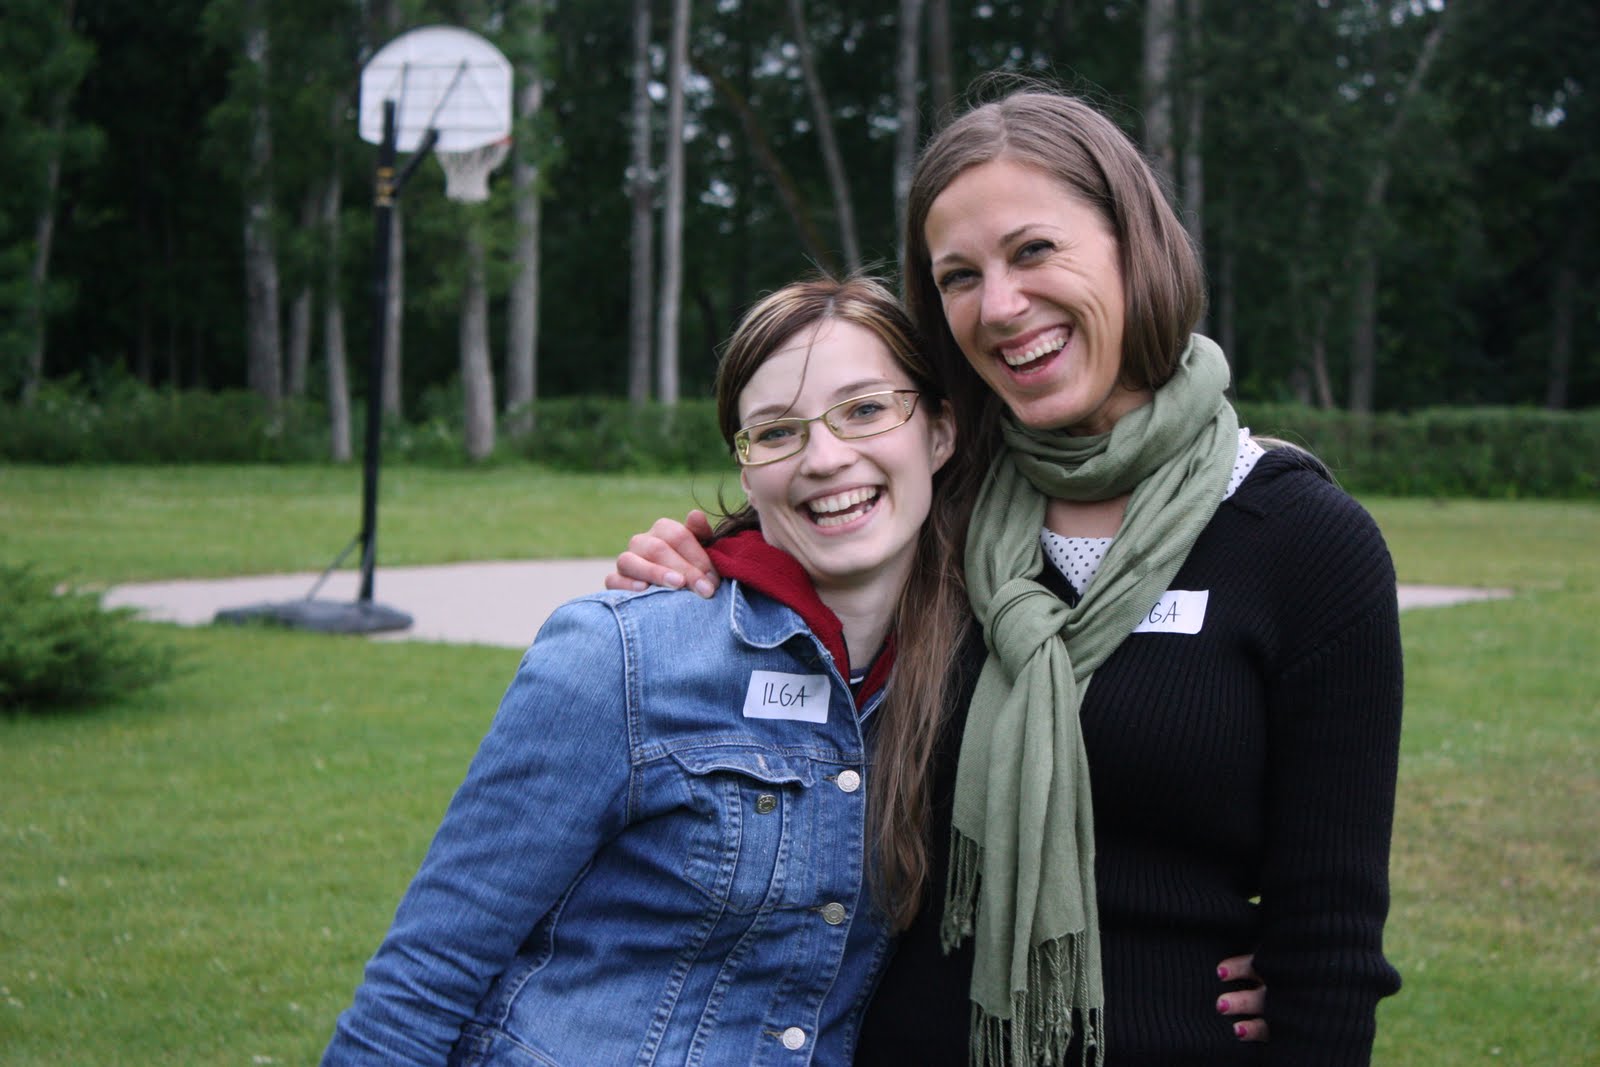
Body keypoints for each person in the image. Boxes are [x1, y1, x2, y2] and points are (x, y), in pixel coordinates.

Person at [610, 87, 1403, 1067]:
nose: (999, 307)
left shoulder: (1302, 542)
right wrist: (690, 566)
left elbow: (1329, 944)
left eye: (1033, 250)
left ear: (1134, 244)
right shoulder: (926, 506)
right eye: (958, 276)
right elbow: (762, 590)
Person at [319, 275, 963, 1066]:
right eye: (777, 431)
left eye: (864, 409)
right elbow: (421, 981)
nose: (825, 457)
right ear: (747, 470)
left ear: (939, 431)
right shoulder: (622, 655)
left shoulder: (966, 681)